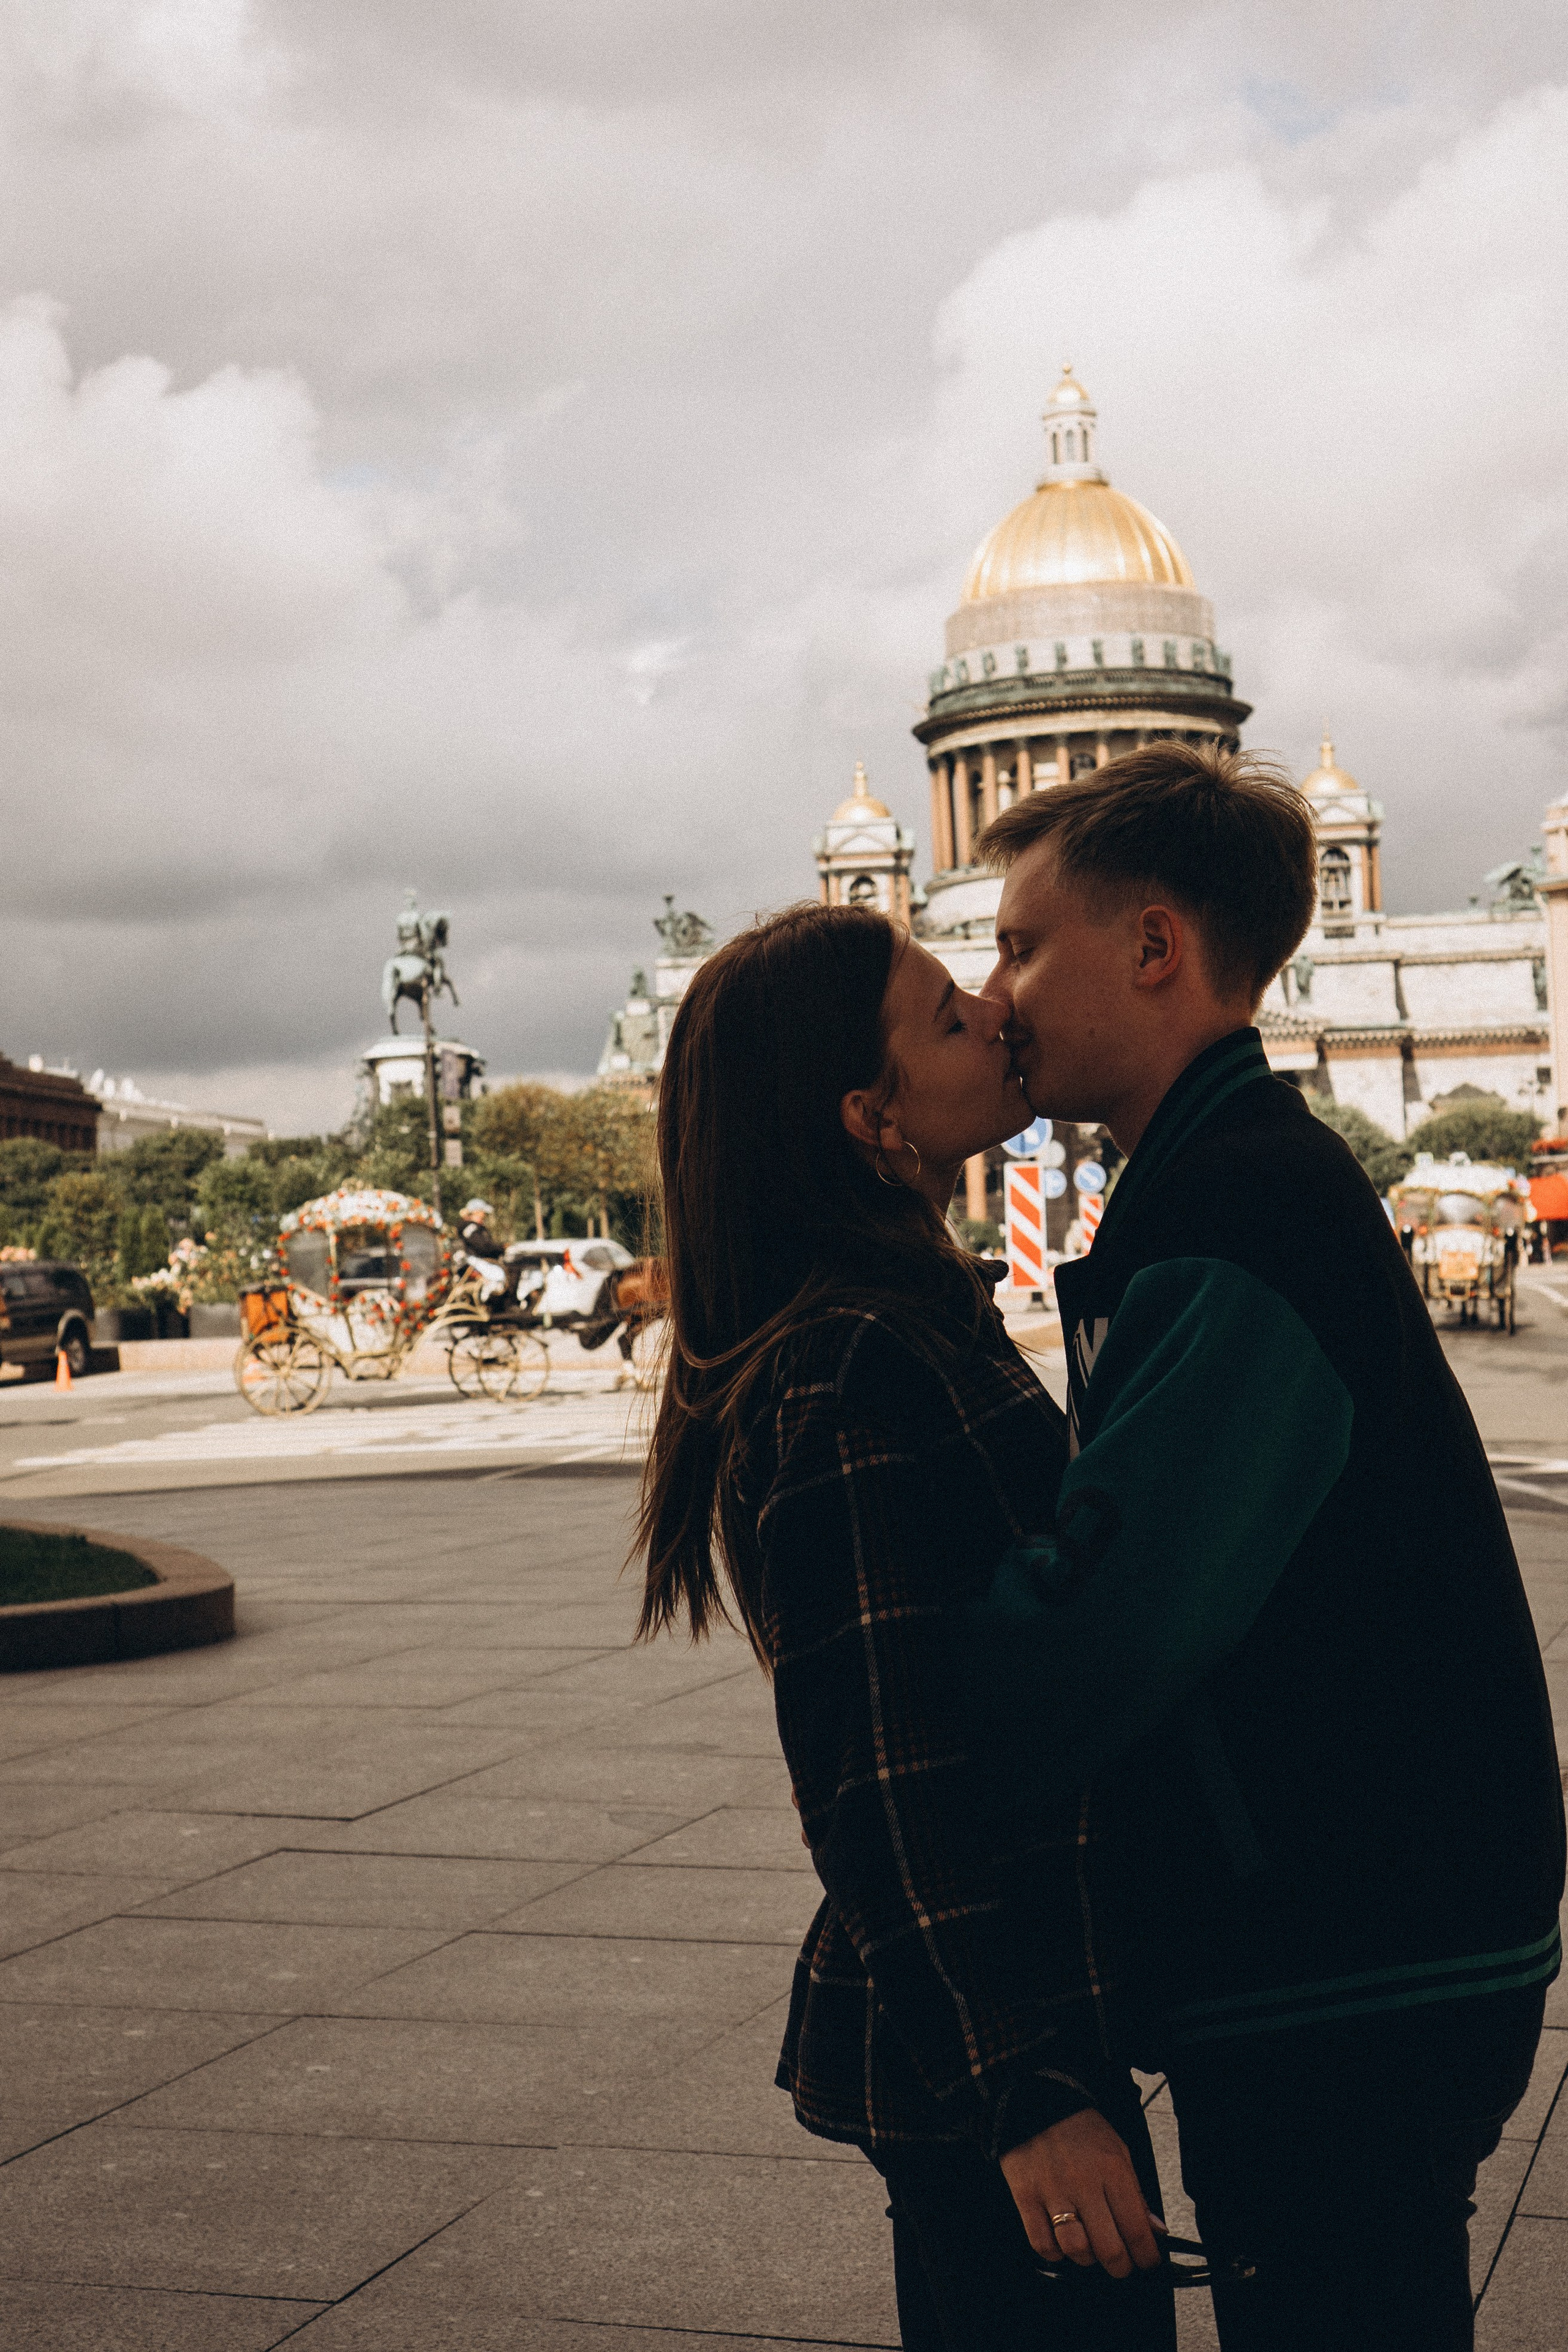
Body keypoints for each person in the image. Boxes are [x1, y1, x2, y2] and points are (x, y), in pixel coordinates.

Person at [967, 741, 1565, 2350]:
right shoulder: (1231, 1178)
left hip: (1346, 1952)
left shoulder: (1234, 1208)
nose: (997, 987)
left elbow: (1106, 1630)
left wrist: (913, 1645)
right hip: (1374, 1922)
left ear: (1155, 946)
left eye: (1025, 942)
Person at [636, 902, 1177, 2350]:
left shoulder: (890, 1317)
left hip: (992, 2014)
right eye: (948, 1013)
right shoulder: (854, 1358)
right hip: (985, 2043)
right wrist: (1028, 2089)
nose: (997, 1012)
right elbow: (879, 1771)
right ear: (870, 1115)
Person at [456, 1197, 510, 1302]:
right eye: (482, 1213)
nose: (484, 1216)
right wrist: (500, 1249)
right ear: (476, 1212)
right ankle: (487, 1299)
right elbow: (482, 1247)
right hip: (475, 1260)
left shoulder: (474, 1227)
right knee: (498, 1275)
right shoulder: (471, 1228)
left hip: (480, 1260)